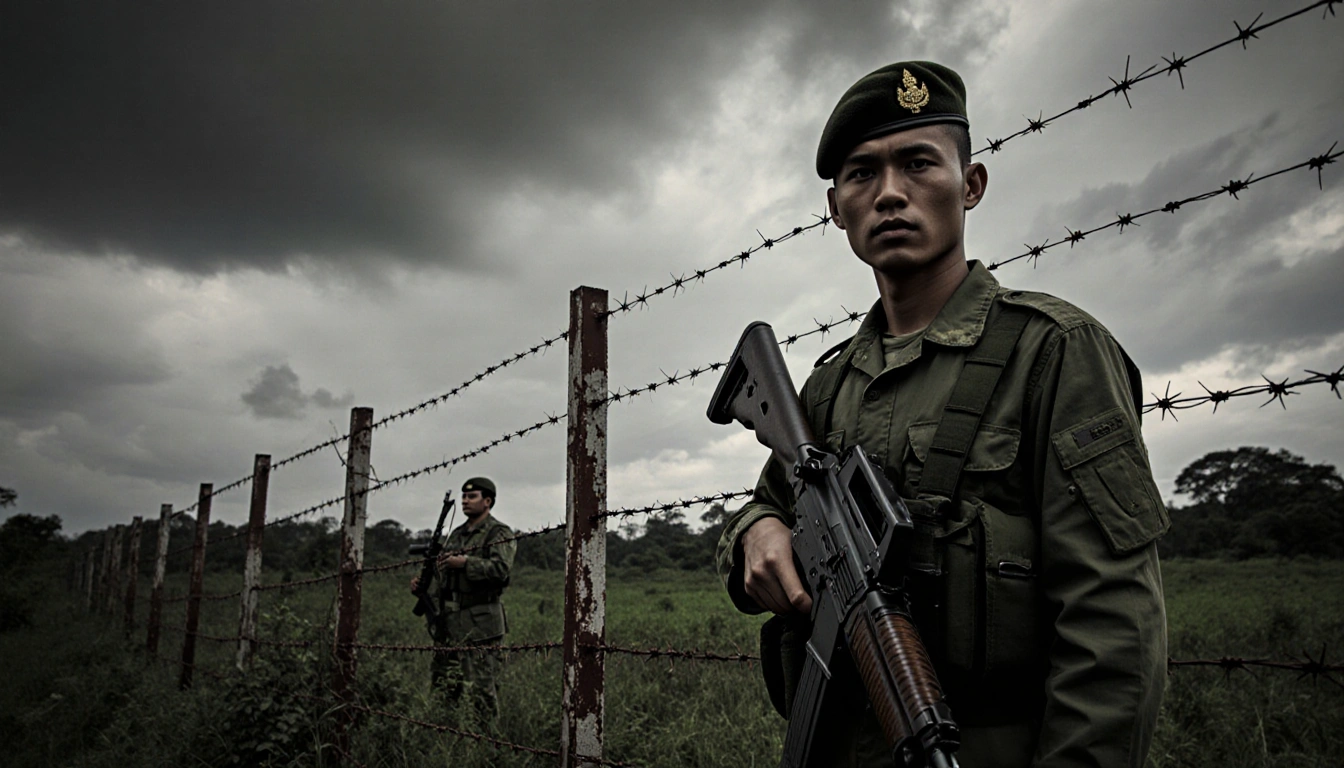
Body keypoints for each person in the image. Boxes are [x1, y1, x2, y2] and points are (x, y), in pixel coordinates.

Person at [714, 61, 1169, 767]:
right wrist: (757, 531)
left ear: (971, 184)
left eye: (918, 163)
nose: (890, 193)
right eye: (862, 174)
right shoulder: (830, 384)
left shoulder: (1053, 352)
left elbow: (1113, 627)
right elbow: (762, 507)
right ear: (837, 208)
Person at [409, 477, 517, 724]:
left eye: (472, 496)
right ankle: (445, 734)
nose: (466, 501)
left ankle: (487, 743)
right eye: (464, 497)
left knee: (481, 689)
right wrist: (424, 585)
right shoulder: (457, 534)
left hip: (480, 622)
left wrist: (466, 563)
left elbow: (501, 569)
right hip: (450, 622)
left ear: (487, 501)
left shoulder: (498, 532)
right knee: (444, 684)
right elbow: (445, 575)